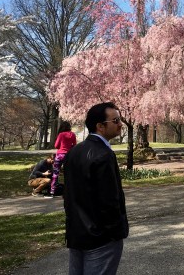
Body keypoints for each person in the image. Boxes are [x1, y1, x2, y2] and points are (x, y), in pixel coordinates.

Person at [64, 102, 129, 275]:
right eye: (115, 120)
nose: (120, 124)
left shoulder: (74, 152)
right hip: (101, 238)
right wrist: (116, 232)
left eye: (120, 119)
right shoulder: (104, 155)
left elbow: (69, 195)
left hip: (77, 234)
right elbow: (110, 200)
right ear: (100, 126)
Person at [46, 120, 76, 198]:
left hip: (60, 155)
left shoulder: (61, 135)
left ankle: (52, 191)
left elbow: (56, 145)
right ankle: (67, 191)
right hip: (68, 156)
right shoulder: (72, 134)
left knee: (55, 173)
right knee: (68, 173)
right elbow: (74, 145)